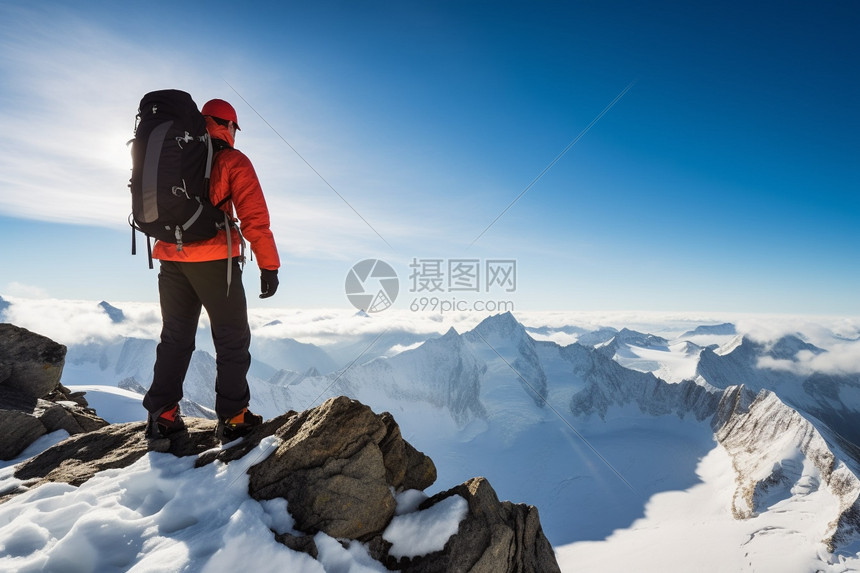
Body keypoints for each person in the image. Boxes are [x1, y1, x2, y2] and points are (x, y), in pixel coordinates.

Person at [143, 98, 280, 442]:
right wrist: (269, 266)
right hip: (217, 261)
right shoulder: (233, 160)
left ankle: (163, 417)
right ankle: (234, 417)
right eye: (235, 127)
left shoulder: (176, 155)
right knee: (232, 339)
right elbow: (254, 218)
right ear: (229, 126)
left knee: (175, 337)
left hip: (171, 258)